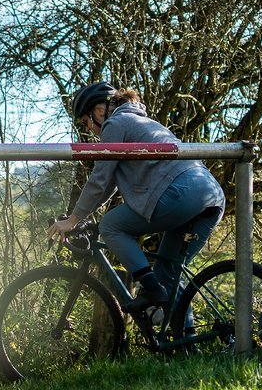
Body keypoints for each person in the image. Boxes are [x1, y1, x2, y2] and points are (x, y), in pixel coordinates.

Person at [48, 82, 225, 328]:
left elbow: (100, 179)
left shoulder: (115, 124)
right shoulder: (140, 122)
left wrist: (73, 219)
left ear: (99, 112)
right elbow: (108, 183)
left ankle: (150, 291)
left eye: (86, 122)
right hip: (211, 196)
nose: (88, 130)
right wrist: (82, 213)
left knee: (110, 225)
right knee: (168, 271)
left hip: (181, 193)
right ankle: (188, 345)